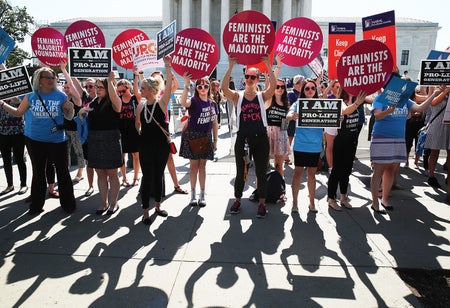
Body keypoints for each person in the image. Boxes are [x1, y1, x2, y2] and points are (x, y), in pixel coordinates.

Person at [0, 65, 76, 215]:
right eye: (47, 77)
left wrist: (70, 108)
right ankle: (36, 205)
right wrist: (2, 103)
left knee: (63, 173)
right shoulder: (31, 95)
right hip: (35, 140)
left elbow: (69, 116)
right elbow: (18, 112)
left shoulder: (60, 96)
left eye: (53, 77)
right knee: (38, 173)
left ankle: (68, 204)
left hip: (57, 140)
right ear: (39, 80)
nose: (51, 79)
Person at [369, 74, 444, 214]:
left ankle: (384, 200)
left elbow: (420, 108)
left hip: (398, 139)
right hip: (382, 138)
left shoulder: (404, 100)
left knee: (391, 170)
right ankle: (375, 203)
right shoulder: (380, 98)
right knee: (378, 170)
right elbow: (377, 116)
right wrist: (388, 111)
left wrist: (433, 95)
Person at [221, 56, 276, 218]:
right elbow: (224, 89)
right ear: (244, 78)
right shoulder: (238, 96)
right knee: (240, 173)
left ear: (257, 79)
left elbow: (272, 87)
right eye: (247, 76)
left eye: (253, 77)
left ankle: (261, 204)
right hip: (243, 138)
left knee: (261, 172)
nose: (250, 79)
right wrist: (230, 66)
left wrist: (267, 64)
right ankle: (237, 200)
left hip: (260, 138)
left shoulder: (261, 96)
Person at [135, 55, 173, 224]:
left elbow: (170, 87)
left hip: (161, 146)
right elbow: (137, 124)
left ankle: (157, 205)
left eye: (142, 88)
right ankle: (145, 211)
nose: (140, 90)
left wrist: (168, 66)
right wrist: (142, 132)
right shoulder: (141, 105)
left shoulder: (161, 103)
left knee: (158, 175)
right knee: (147, 176)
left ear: (151, 90)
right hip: (145, 146)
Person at [83, 72, 122, 215]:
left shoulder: (113, 102)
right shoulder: (93, 103)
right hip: (95, 140)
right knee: (100, 174)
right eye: (96, 87)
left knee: (112, 174)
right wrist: (82, 112)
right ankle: (104, 202)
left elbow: (117, 103)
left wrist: (110, 82)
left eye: (101, 87)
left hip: (110, 139)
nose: (97, 89)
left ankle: (114, 202)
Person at [180, 73, 219, 207]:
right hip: (193, 137)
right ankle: (193, 195)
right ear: (196, 88)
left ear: (209, 87)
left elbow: (215, 123)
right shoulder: (194, 101)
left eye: (206, 86)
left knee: (203, 167)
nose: (203, 88)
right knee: (193, 167)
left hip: (206, 137)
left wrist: (215, 140)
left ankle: (202, 194)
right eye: (200, 86)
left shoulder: (213, 103)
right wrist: (186, 85)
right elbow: (183, 102)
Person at [286, 78, 324, 213]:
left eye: (313, 88)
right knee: (297, 174)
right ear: (303, 91)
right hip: (301, 145)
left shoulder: (322, 104)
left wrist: (338, 118)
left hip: (315, 145)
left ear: (316, 90)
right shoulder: (298, 103)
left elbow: (333, 116)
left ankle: (311, 203)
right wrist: (292, 115)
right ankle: (295, 202)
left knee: (312, 175)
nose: (310, 91)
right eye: (307, 88)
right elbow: (289, 113)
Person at [327, 89, 367, 210]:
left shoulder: (357, 101)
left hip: (352, 142)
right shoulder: (340, 102)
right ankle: (331, 198)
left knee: (347, 171)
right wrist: (357, 104)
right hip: (341, 142)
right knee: (336, 171)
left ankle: (344, 197)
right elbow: (344, 111)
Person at [72, 77, 96, 197]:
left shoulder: (103, 98)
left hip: (99, 134)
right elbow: (74, 81)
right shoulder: (85, 97)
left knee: (102, 165)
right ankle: (90, 186)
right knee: (89, 163)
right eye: (86, 86)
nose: (88, 89)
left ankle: (105, 185)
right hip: (86, 135)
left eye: (91, 86)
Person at [60, 62, 84, 183]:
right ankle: (66, 172)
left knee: (79, 152)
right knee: (65, 153)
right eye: (65, 87)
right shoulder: (63, 98)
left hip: (76, 130)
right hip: (65, 129)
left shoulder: (77, 98)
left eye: (68, 86)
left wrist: (64, 70)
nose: (67, 88)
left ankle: (80, 173)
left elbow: (71, 83)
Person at [423, 86, 450, 189]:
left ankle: (448, 177)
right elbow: (433, 103)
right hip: (437, 123)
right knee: (434, 151)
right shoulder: (435, 88)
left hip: (448, 124)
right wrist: (445, 91)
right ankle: (431, 176)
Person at [0, 97, 27, 196]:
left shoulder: (18, 94)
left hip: (18, 131)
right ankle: (10, 185)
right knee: (6, 160)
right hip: (3, 132)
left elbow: (24, 104)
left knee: (19, 159)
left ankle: (23, 184)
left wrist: (14, 98)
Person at [117, 79, 140, 187]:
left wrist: (136, 76)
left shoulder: (135, 99)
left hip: (133, 129)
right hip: (121, 130)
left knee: (136, 155)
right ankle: (124, 178)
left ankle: (136, 178)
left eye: (123, 91)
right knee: (122, 156)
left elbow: (136, 90)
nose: (121, 93)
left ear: (128, 87)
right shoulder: (118, 99)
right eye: (119, 91)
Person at [266, 78, 290, 178]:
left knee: (279, 165)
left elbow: (285, 123)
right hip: (268, 133)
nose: (280, 89)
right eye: (277, 86)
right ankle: (262, 189)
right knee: (264, 164)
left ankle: (280, 188)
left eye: (282, 87)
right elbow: (267, 86)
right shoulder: (269, 99)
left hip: (281, 133)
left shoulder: (286, 104)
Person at [286, 74, 305, 164]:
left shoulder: (303, 93)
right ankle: (286, 156)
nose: (304, 83)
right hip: (293, 119)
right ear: (298, 83)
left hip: (301, 119)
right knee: (290, 136)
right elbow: (292, 105)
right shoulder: (291, 93)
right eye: (303, 81)